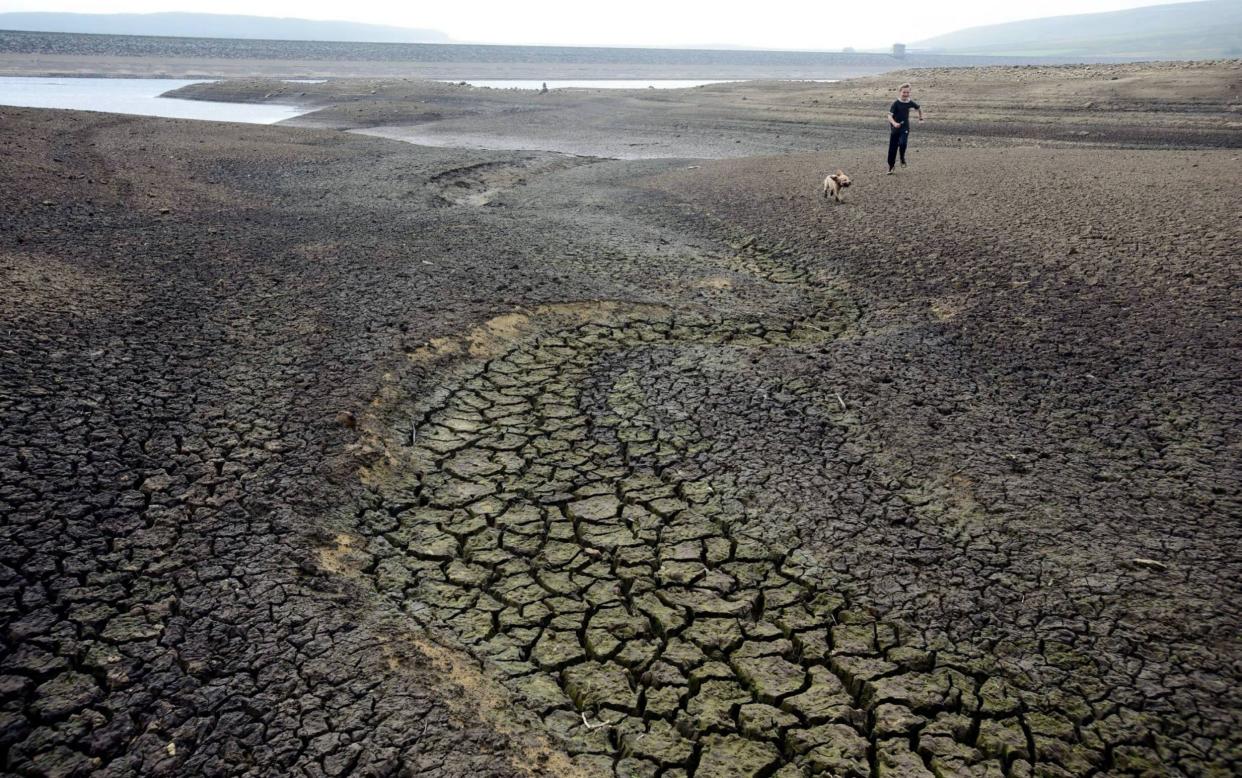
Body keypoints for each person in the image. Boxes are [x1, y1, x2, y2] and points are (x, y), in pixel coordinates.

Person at [886, 83, 923, 174]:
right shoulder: (896, 103)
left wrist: (921, 118)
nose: (906, 94)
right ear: (900, 92)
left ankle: (902, 158)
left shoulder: (910, 102)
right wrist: (894, 123)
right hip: (895, 129)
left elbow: (918, 108)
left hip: (905, 128)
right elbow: (889, 116)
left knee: (903, 143)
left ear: (909, 92)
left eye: (907, 92)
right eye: (904, 92)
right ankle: (891, 167)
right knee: (892, 149)